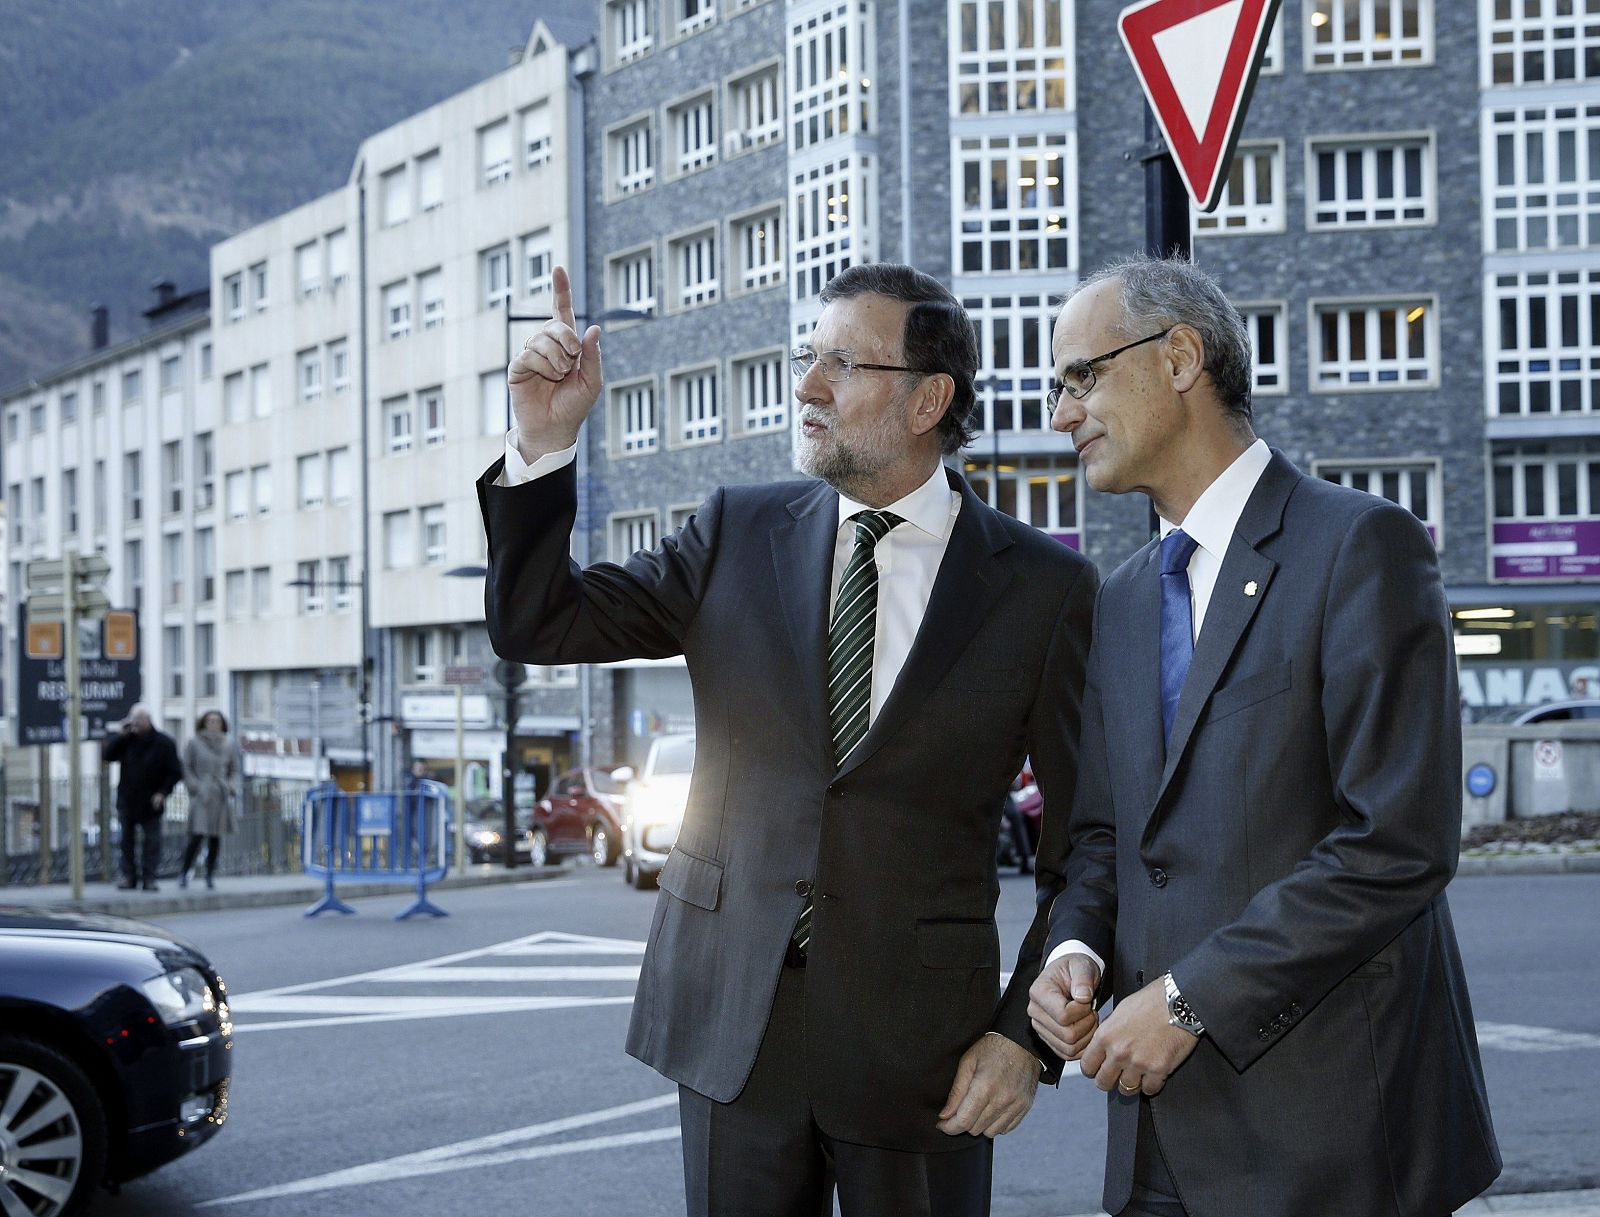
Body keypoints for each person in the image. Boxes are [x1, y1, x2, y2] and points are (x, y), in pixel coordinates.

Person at [478, 264, 1097, 1216]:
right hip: (736, 1024)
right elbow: (540, 623)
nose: (807, 385)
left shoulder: (1044, 591)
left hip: (927, 1048)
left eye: (842, 364)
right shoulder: (737, 529)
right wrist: (542, 441)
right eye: (807, 356)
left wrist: (1024, 1032)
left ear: (929, 397)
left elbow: (1087, 840)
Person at [1027, 255, 1501, 1217]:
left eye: (1081, 375)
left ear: (1181, 357)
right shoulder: (1118, 601)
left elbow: (1396, 843)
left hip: (1335, 1143)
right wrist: (1071, 949)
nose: (1061, 413)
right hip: (1158, 1142)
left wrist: (1191, 996)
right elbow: (1107, 838)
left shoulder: (1360, 545)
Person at [103, 705, 184, 892]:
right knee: (126, 841)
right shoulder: (126, 741)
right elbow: (108, 756)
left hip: (152, 801)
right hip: (128, 799)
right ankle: (129, 876)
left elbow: (174, 772)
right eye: (133, 720)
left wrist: (163, 792)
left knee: (152, 841)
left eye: (139, 720)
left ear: (148, 721)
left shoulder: (164, 743)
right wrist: (120, 735)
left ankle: (149, 877)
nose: (136, 725)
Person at [179, 709, 241, 890]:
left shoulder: (229, 744)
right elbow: (187, 766)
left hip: (220, 794)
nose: (214, 724)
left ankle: (210, 873)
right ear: (204, 723)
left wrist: (230, 786)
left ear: (222, 724)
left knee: (216, 837)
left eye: (217, 721)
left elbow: (235, 769)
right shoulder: (194, 742)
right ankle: (184, 871)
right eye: (210, 721)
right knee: (197, 835)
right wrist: (195, 786)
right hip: (202, 793)